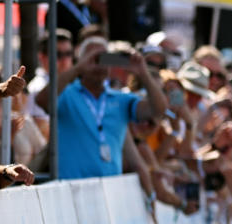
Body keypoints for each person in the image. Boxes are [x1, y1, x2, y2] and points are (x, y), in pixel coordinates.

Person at [37, 36, 168, 180]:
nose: (98, 65)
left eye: (104, 59)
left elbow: (158, 110)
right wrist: (79, 68)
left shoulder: (121, 99)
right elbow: (42, 100)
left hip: (109, 191)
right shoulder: (66, 94)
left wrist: (143, 73)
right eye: (92, 59)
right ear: (81, 60)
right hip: (72, 191)